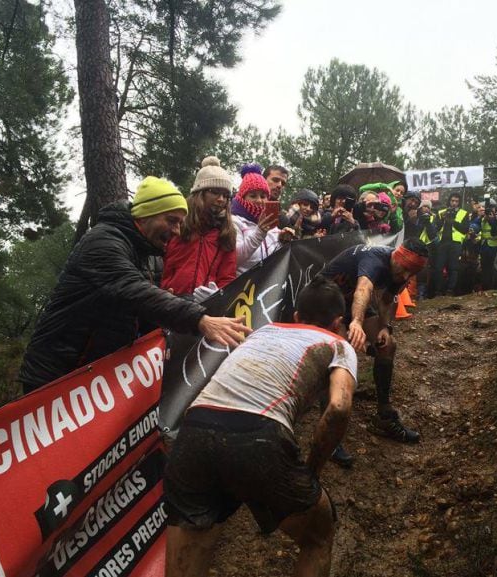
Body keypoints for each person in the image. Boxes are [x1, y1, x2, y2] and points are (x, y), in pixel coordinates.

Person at [163, 276, 356, 577]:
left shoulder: (263, 331)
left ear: (296, 316)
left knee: (193, 545)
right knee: (318, 537)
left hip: (194, 429)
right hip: (256, 434)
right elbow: (339, 407)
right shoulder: (338, 344)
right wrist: (312, 471)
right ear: (338, 322)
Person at [19, 176, 251, 393]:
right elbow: (135, 292)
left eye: (180, 223)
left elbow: (148, 309)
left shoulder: (150, 256)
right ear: (147, 214)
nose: (177, 231)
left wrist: (193, 303)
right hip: (55, 373)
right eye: (171, 221)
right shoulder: (104, 241)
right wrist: (200, 319)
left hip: (95, 374)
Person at [321, 239, 429, 463]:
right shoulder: (376, 260)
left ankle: (384, 416)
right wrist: (357, 323)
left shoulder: (400, 271)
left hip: (351, 299)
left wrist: (385, 327)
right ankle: (328, 431)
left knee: (387, 345)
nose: (407, 276)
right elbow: (364, 289)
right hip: (326, 298)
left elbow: (388, 300)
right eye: (406, 269)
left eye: (413, 272)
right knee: (341, 351)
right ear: (397, 258)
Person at [162, 161, 237, 299]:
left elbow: (227, 276)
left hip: (205, 309)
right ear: (199, 193)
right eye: (214, 192)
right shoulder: (177, 224)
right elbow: (158, 265)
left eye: (226, 195)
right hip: (168, 303)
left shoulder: (226, 233)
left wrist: (217, 296)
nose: (221, 199)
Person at [232, 164, 294, 275]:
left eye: (263, 196)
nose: (259, 200)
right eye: (253, 195)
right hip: (243, 288)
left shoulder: (269, 222)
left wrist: (282, 239)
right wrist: (260, 232)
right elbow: (234, 259)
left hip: (267, 286)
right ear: (242, 197)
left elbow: (273, 255)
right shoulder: (234, 221)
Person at [433, 192, 470, 295]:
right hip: (443, 242)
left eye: (456, 201)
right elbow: (436, 227)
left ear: (459, 203)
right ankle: (439, 291)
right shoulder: (442, 212)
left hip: (456, 243)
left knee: (453, 268)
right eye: (452, 201)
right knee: (439, 267)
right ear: (449, 201)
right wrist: (443, 218)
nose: (454, 203)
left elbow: (465, 229)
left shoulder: (464, 213)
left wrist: (453, 221)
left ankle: (450, 290)